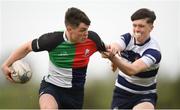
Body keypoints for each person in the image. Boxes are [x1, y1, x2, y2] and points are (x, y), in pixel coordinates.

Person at [1, 7, 106, 109]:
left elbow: (107, 51)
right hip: (52, 87)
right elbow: (27, 47)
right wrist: (6, 64)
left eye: (87, 29)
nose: (86, 33)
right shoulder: (52, 40)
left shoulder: (93, 39)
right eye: (82, 30)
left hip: (75, 95)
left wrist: (114, 61)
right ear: (69, 29)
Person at [102, 8, 161, 109]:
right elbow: (115, 46)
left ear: (151, 27)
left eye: (141, 26)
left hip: (144, 95)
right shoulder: (128, 38)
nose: (137, 29)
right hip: (122, 93)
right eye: (134, 25)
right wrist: (111, 51)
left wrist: (113, 58)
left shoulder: (153, 51)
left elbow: (132, 70)